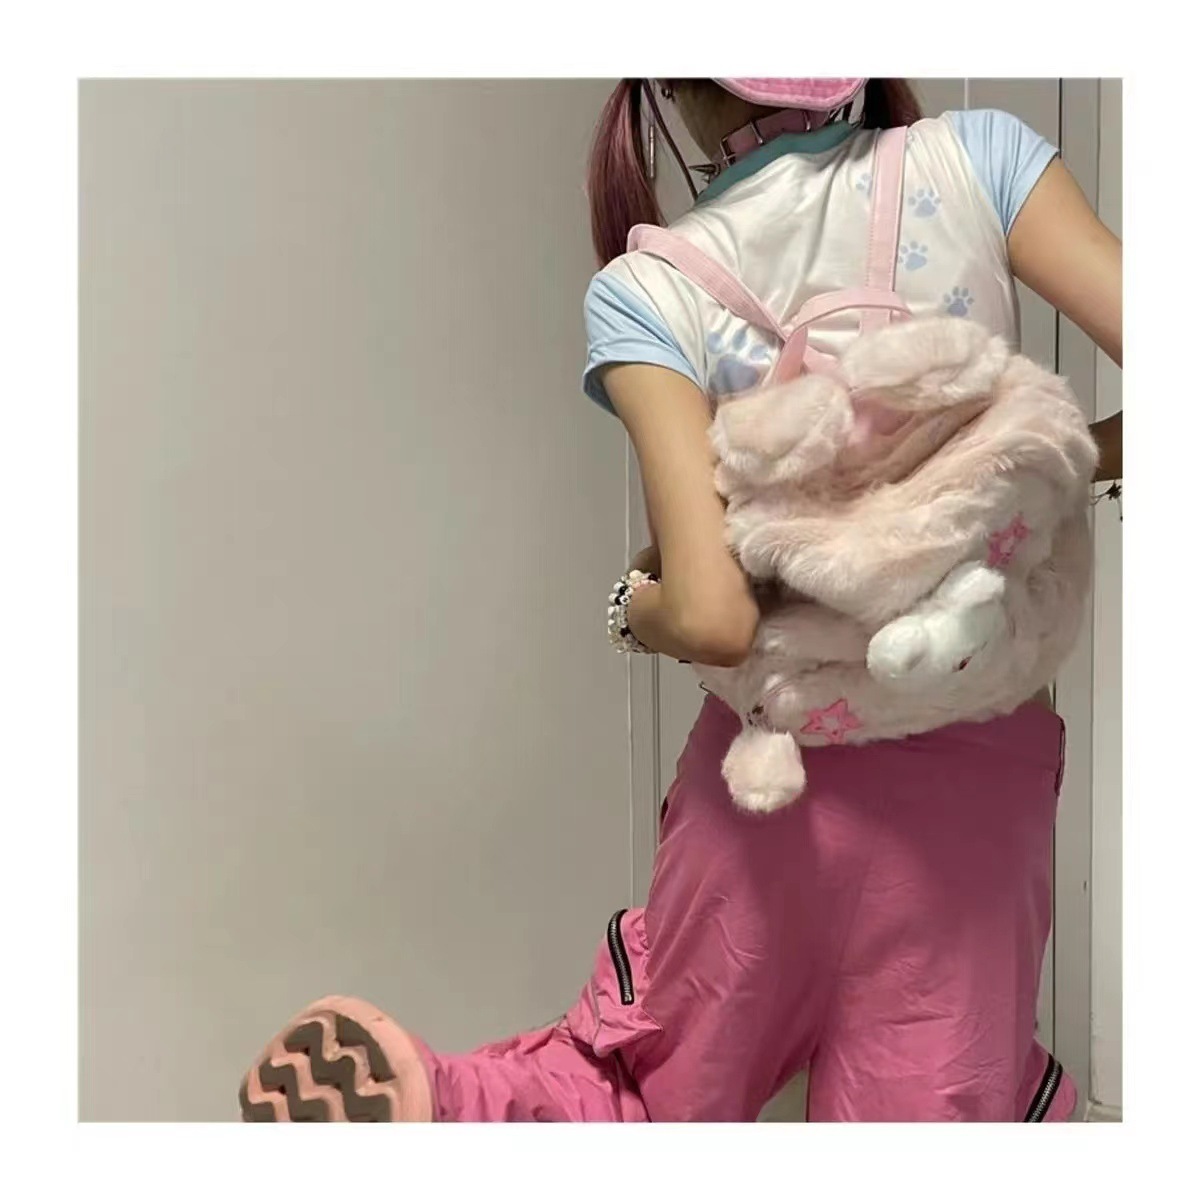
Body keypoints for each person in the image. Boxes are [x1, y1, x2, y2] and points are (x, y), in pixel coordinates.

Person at [240, 78, 1122, 1123]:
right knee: (932, 1115)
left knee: (658, 1088)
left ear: (664, 81)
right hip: (977, 780)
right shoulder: (981, 162)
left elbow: (712, 616)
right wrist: (1013, 480)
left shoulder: (652, 289)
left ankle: (456, 1108)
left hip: (773, 774)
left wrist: (632, 604)